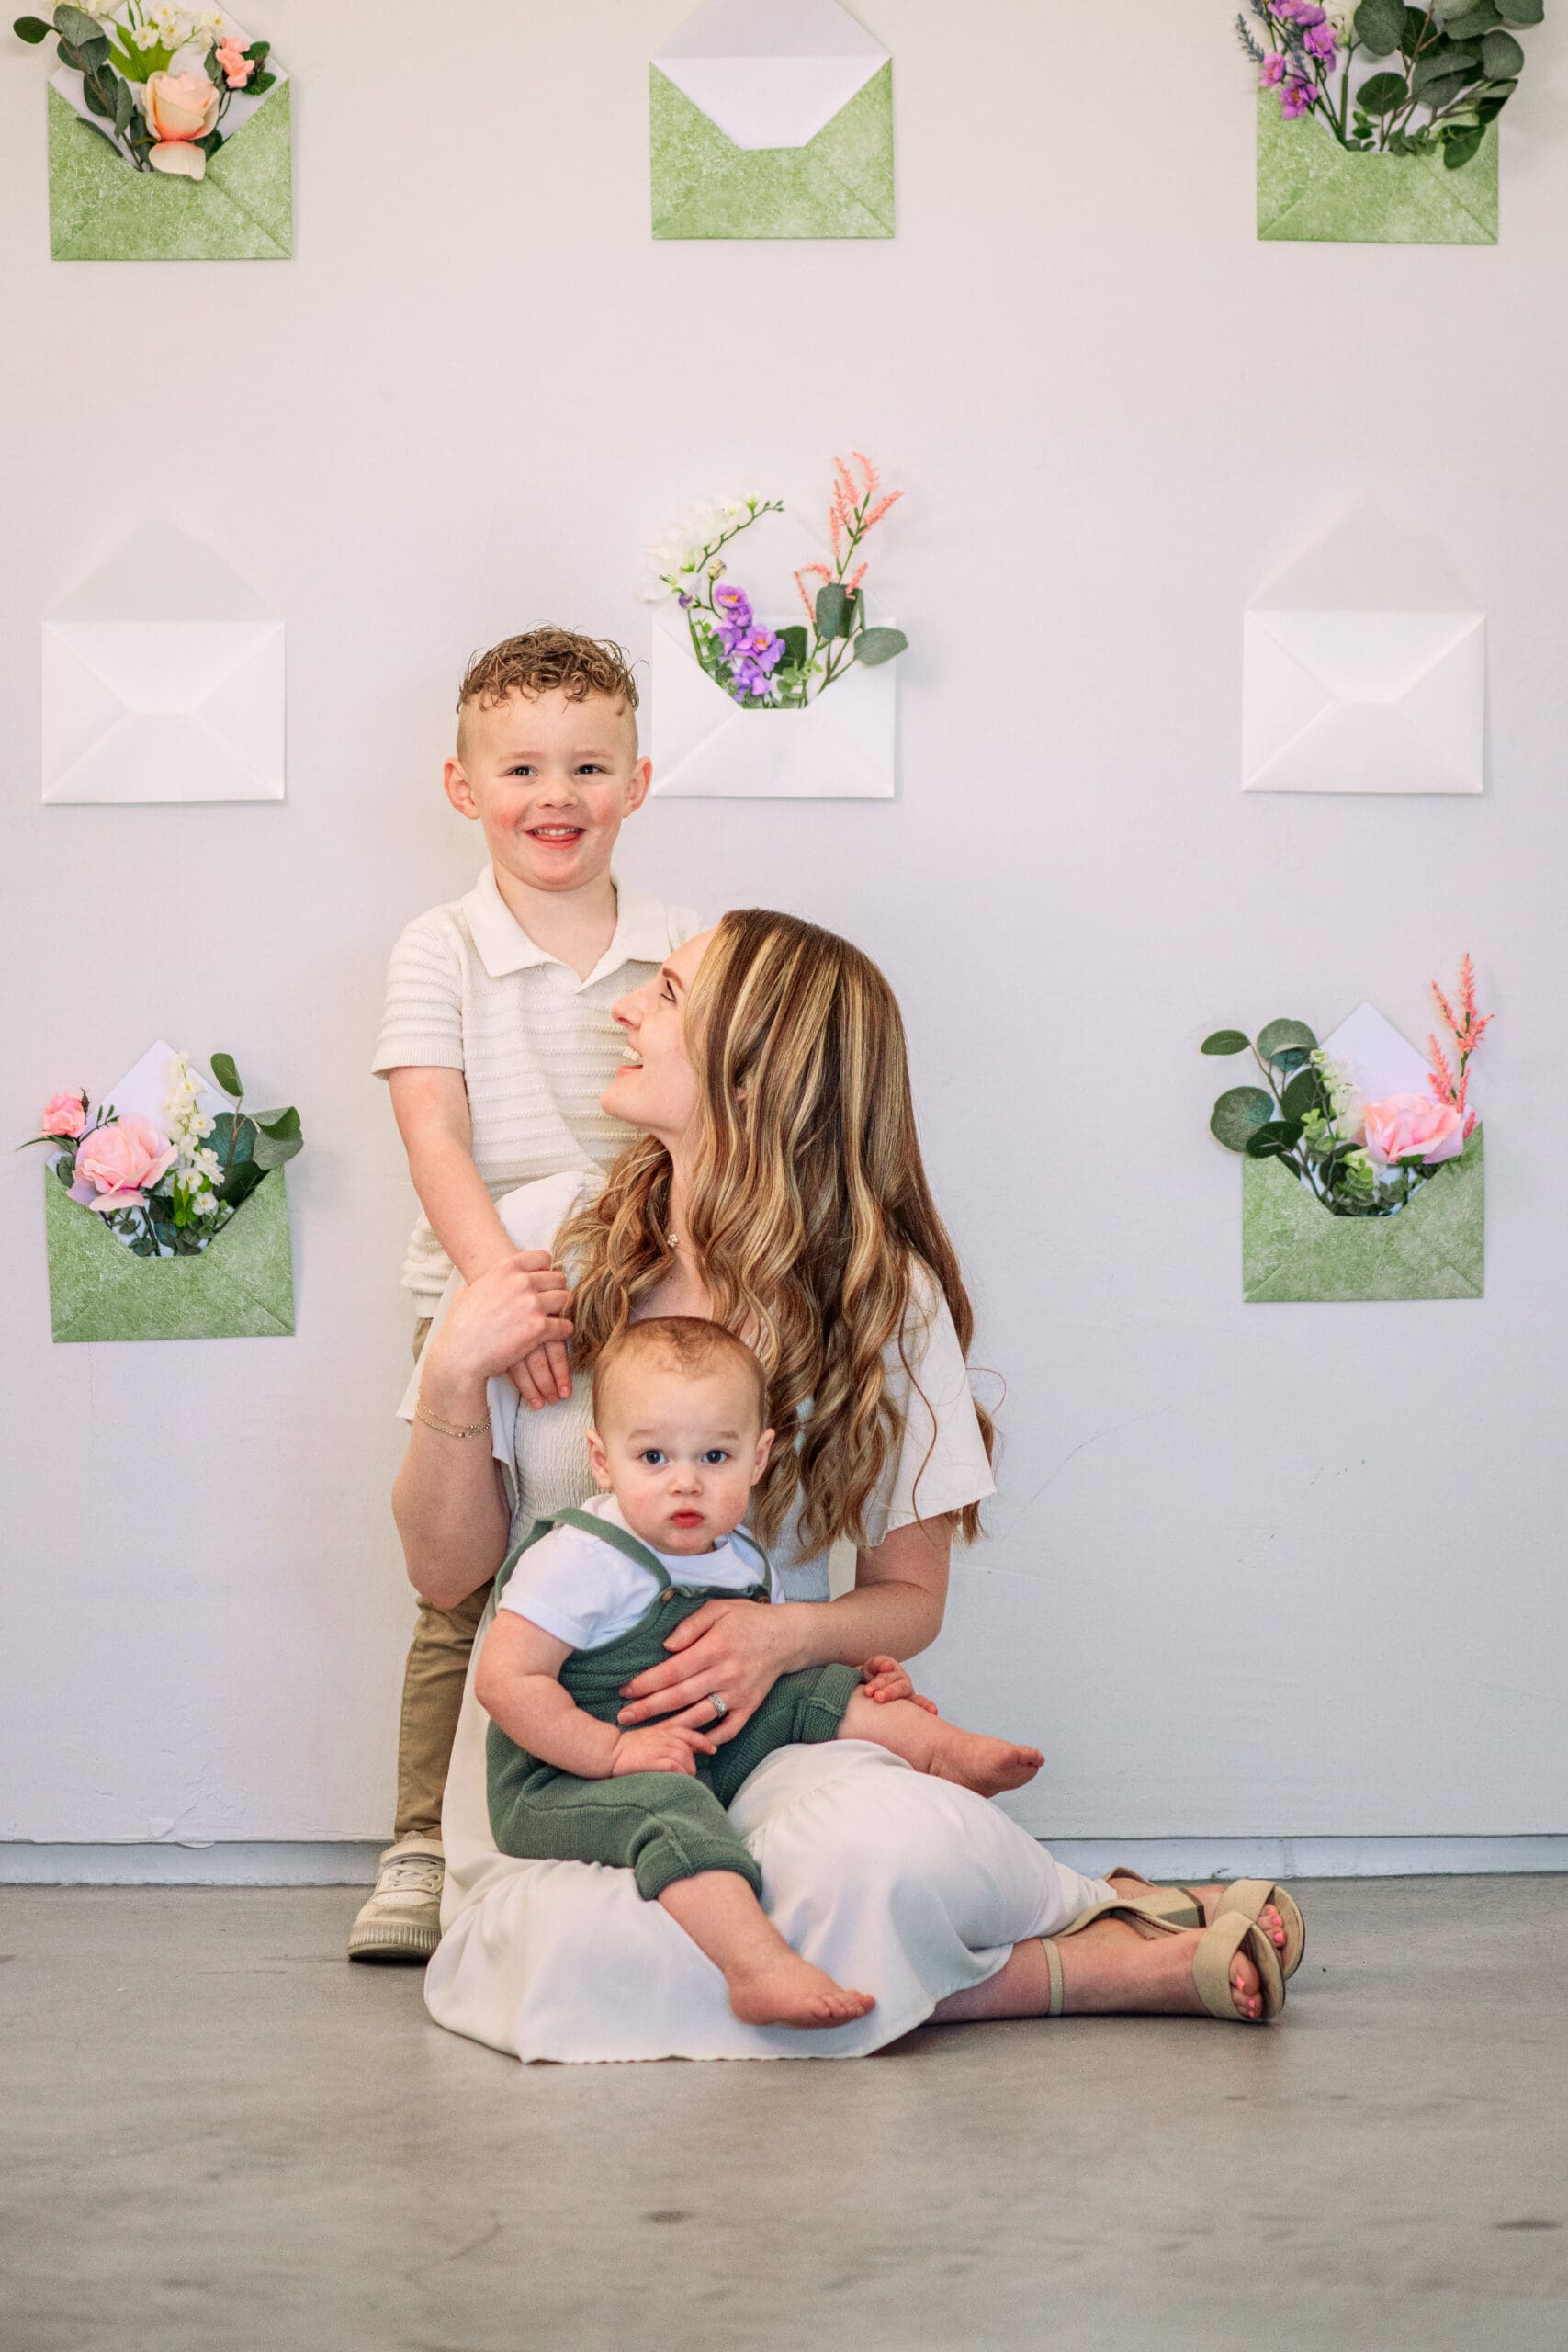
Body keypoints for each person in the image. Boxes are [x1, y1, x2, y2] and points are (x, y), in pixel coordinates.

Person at [396, 911, 1301, 2060]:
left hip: (770, 1738)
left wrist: (780, 1639)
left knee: (885, 1860)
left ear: (757, 1058)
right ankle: (1088, 1962)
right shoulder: (540, 1243)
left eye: (666, 993)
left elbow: (907, 1603)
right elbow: (444, 1570)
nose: (623, 1008)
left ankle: (1045, 1929)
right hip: (570, 1757)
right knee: (578, 1955)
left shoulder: (883, 1294)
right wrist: (453, 1372)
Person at [349, 628, 701, 1963]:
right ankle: (422, 1848)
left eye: (588, 765)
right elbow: (433, 1133)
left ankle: (640, 1790)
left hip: (645, 1294)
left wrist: (625, 1290)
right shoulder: (437, 948)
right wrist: (505, 1296)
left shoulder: (684, 943)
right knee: (470, 1580)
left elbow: (699, 1127)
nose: (555, 796)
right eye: (521, 768)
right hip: (487, 1291)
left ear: (637, 780)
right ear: (462, 786)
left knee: (632, 1547)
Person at [477, 1314, 1045, 2029]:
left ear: (759, 1456)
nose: (685, 1483)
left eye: (714, 1458)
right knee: (666, 1807)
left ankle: (941, 1751)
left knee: (807, 1688)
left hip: (702, 1747)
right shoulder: (579, 1558)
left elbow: (771, 1676)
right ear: (600, 1459)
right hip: (564, 1776)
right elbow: (505, 1682)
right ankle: (756, 1965)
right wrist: (614, 1753)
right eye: (652, 1458)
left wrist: (863, 1679)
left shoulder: (742, 1558)